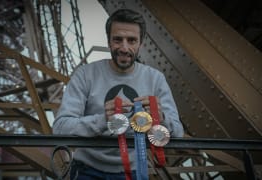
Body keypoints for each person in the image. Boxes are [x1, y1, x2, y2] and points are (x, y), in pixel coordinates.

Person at [53, 8, 184, 180]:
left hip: (135, 172)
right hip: (87, 170)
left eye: (131, 40)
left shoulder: (155, 79)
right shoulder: (85, 74)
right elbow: (60, 128)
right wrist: (102, 121)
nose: (124, 47)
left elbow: (178, 132)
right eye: (117, 40)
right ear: (108, 41)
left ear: (141, 43)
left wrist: (161, 118)